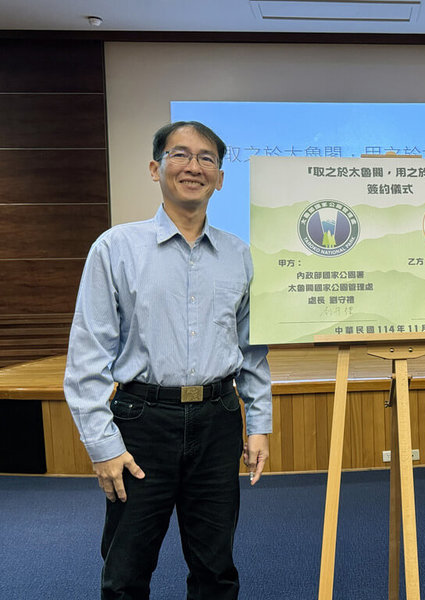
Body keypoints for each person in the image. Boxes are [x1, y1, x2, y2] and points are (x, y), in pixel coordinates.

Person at [63, 120, 271, 599]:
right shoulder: (115, 248)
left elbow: (251, 350)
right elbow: (87, 354)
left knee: (216, 569)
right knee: (125, 572)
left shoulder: (239, 255)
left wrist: (258, 423)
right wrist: (103, 446)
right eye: (180, 155)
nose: (193, 167)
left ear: (220, 177)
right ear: (156, 168)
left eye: (206, 159)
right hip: (141, 421)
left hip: (218, 419)